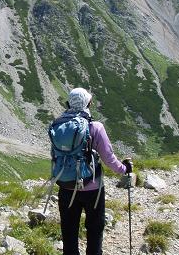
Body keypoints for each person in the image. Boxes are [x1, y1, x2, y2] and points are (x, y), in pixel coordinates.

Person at [57, 87, 132, 255]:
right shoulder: (96, 127)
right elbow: (109, 158)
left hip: (66, 186)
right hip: (93, 189)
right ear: (88, 103)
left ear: (68, 103)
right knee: (94, 230)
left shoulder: (59, 125)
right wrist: (124, 169)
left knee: (69, 231)